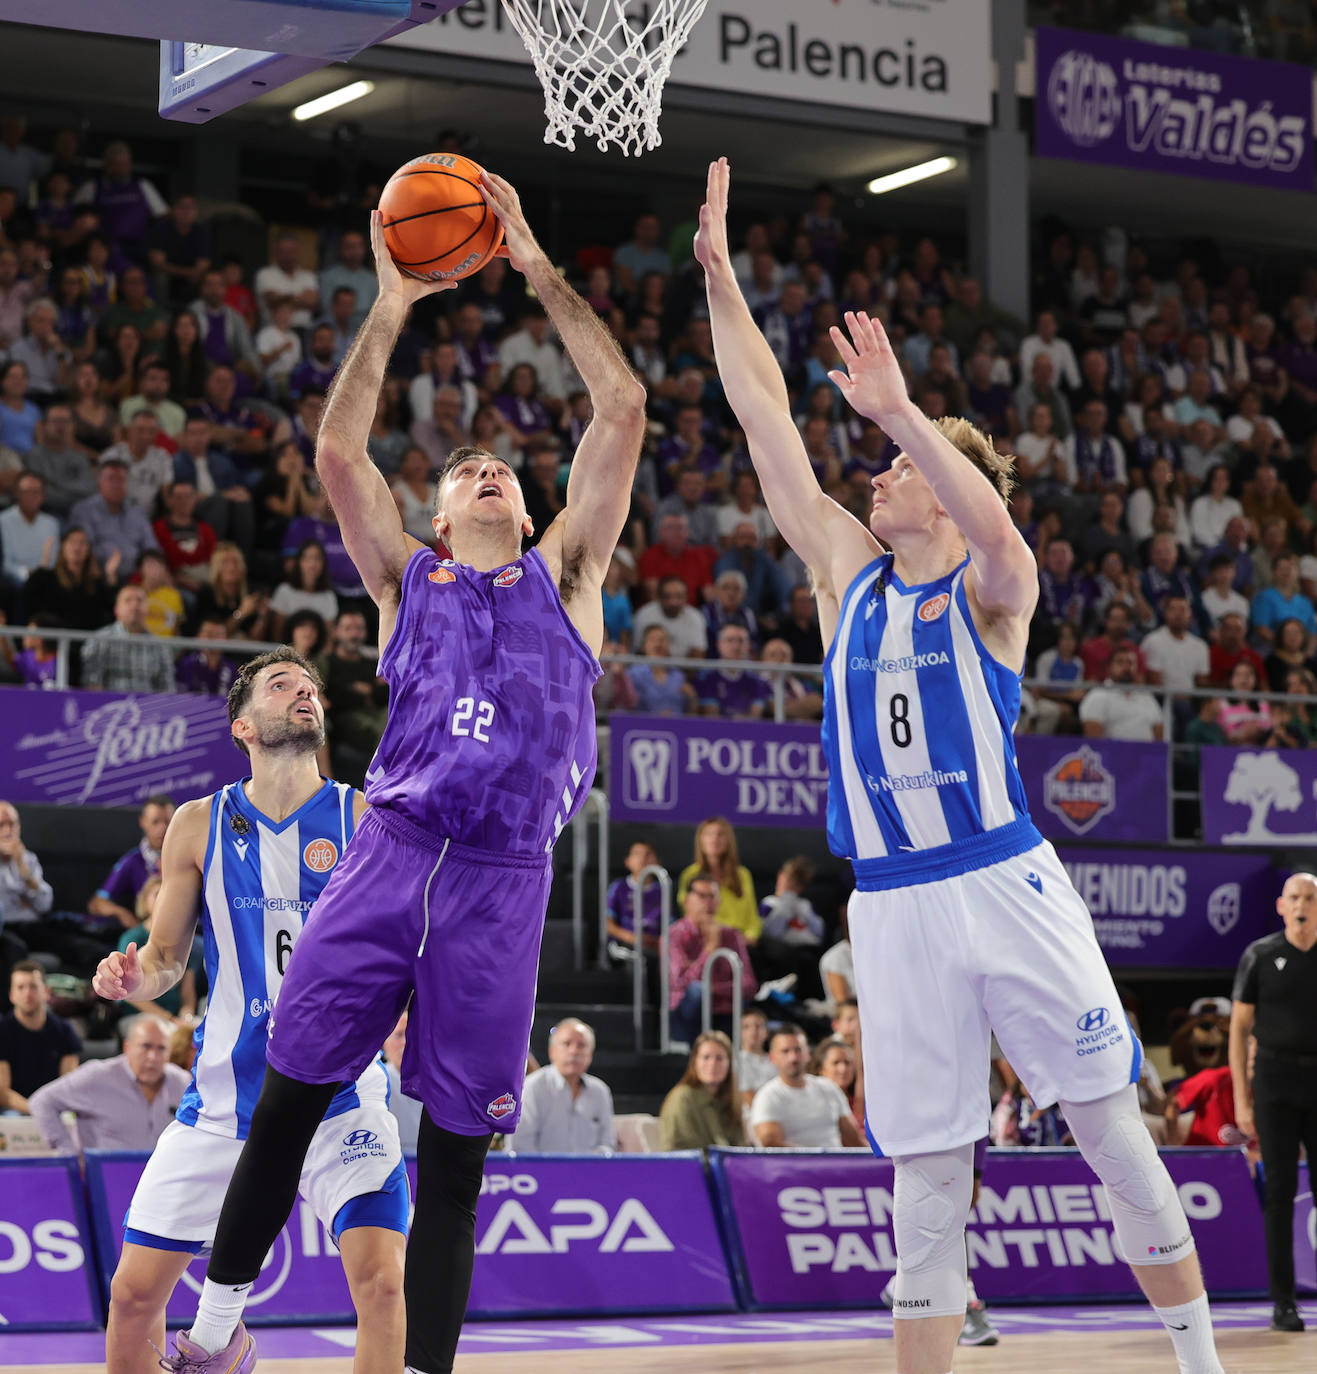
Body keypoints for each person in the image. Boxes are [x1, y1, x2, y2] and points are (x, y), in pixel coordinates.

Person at [695, 158, 1225, 1374]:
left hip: (1003, 879)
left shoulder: (998, 588)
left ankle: (1200, 1365)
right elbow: (766, 422)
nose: (875, 476)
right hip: (892, 905)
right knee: (927, 1188)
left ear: (945, 486)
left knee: (1113, 1142)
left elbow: (989, 519)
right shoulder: (843, 575)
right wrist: (722, 281)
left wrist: (901, 416)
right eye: (882, 460)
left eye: (896, 468)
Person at [170, 171, 645, 1374]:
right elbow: (337, 449)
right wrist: (390, 301)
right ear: (436, 522)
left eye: (505, 473)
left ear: (531, 517)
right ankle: (216, 1331)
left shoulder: (572, 575)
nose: (490, 473)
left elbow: (625, 405)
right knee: (288, 1096)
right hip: (392, 854)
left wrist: (534, 267)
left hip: (503, 881)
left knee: (454, 1161)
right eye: (466, 472)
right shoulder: (405, 586)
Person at [91, 648, 408, 1374]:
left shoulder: (366, 815)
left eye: (311, 686)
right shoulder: (197, 822)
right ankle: (220, 1343)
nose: (304, 691)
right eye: (281, 683)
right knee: (134, 1294)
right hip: (227, 1098)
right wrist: (134, 976)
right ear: (241, 725)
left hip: (341, 1097)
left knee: (386, 1283)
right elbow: (167, 959)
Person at [1230, 872, 1317, 1334]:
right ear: (1282, 906)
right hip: (1275, 1081)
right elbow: (1239, 1029)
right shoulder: (1261, 955)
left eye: (1310, 897)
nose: (1302, 905)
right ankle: (1284, 1302)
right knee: (1279, 1191)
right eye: (1295, 898)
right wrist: (1241, 1101)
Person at [30, 1014, 188, 1153]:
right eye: (145, 1046)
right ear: (127, 1047)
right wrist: (68, 1153)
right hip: (105, 1181)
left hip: (161, 1182)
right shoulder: (97, 1076)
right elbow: (42, 1101)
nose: (153, 1056)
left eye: (161, 1049)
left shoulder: (182, 1082)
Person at [667, 874, 758, 1047]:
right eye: (701, 896)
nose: (707, 902)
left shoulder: (732, 935)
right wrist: (710, 948)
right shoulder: (674, 934)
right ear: (686, 901)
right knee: (697, 991)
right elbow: (681, 983)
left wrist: (713, 988)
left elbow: (749, 985)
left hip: (726, 1011)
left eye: (712, 897)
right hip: (688, 1014)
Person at [505, 1020, 615, 1154]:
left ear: (590, 1054)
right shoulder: (532, 1087)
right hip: (538, 1173)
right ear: (552, 1051)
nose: (574, 1051)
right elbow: (520, 1146)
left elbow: (608, 1144)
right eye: (566, 1044)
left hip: (588, 1173)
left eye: (581, 1045)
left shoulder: (600, 1091)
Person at [750, 1024, 862, 1148]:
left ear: (807, 1053)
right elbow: (771, 1145)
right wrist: (818, 1161)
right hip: (794, 1166)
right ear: (772, 1057)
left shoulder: (830, 1088)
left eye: (798, 1050)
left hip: (837, 1163)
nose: (793, 1057)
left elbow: (855, 1139)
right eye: (785, 1051)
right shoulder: (767, 1096)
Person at [0, 961, 81, 1112]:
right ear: (11, 995)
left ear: (46, 992)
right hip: (15, 1109)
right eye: (20, 987)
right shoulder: (2, 1031)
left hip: (54, 1106)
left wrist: (50, 1110)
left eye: (33, 986)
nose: (27, 993)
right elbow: (3, 1093)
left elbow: (69, 1084)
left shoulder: (64, 1030)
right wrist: (36, 1110)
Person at [89, 795, 174, 931]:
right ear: (143, 822)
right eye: (155, 822)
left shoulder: (188, 857)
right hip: (148, 932)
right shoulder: (133, 861)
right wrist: (122, 913)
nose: (163, 828)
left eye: (168, 821)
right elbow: (97, 903)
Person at [677, 816, 760, 944]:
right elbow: (689, 914)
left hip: (742, 940)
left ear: (729, 841)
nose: (714, 839)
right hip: (707, 938)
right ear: (700, 840)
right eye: (709, 834)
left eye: (720, 834)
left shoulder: (743, 874)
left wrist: (751, 936)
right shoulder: (690, 874)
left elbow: (753, 917)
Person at [659, 1030, 745, 1150]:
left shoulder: (731, 1101)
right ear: (694, 1062)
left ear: (729, 1064)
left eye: (720, 1058)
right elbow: (678, 1150)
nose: (713, 1064)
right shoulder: (682, 1098)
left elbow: (741, 1147)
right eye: (706, 1057)